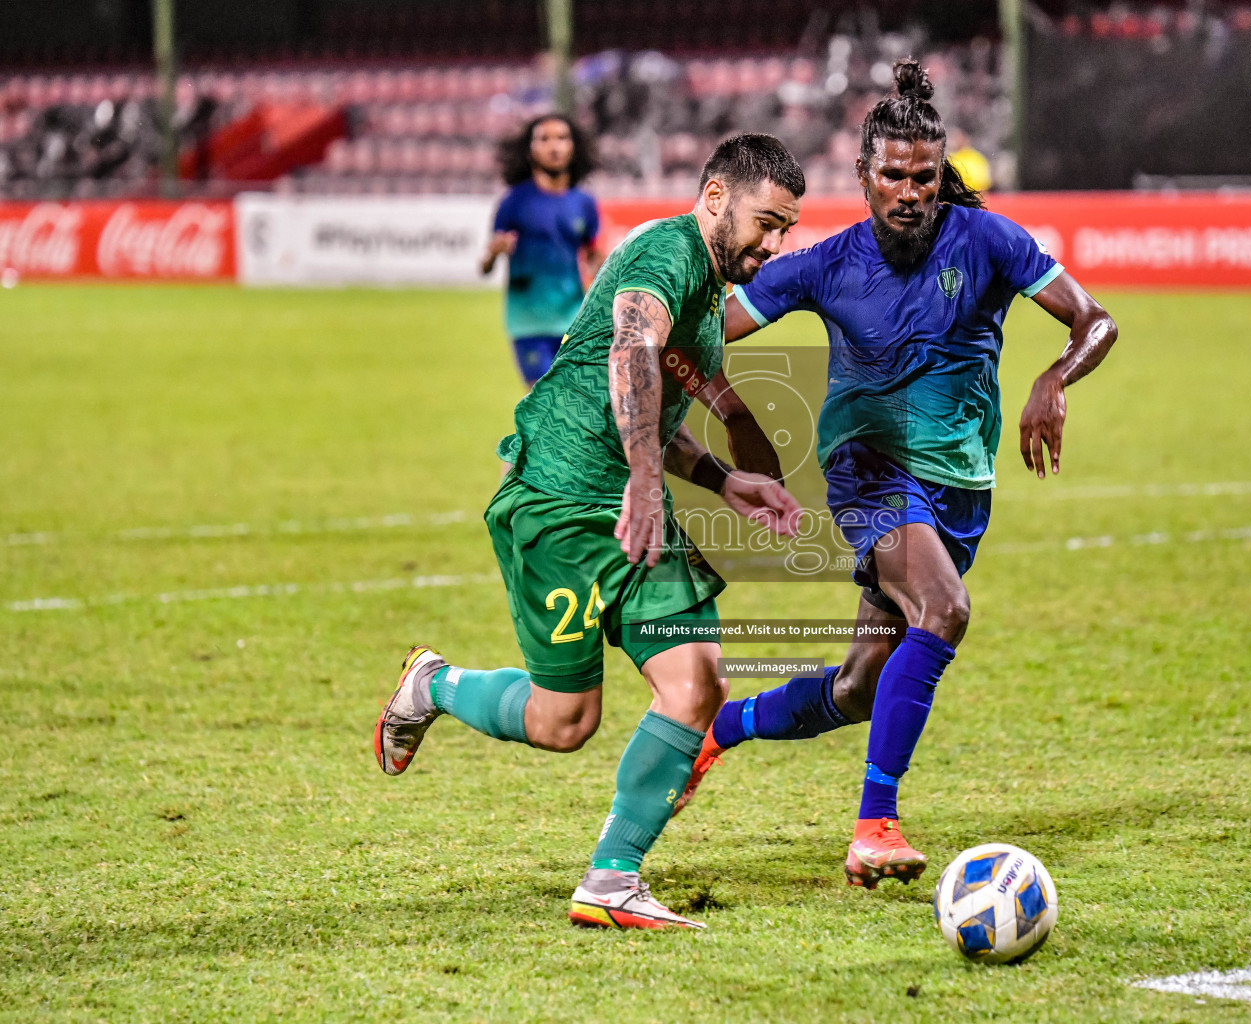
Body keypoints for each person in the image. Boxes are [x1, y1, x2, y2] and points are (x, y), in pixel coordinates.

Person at [675, 61, 1119, 890]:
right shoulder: (824, 264)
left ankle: (717, 729)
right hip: (867, 466)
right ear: (863, 176)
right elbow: (700, 338)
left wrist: (1053, 378)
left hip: (960, 483)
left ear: (939, 172)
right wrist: (680, 375)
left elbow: (1096, 321)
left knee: (855, 689)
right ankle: (875, 826)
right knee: (944, 610)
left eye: (923, 176)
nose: (909, 192)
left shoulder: (990, 240)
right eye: (892, 176)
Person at [375, 134, 807, 930]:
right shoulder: (666, 254)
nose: (775, 245)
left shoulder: (708, 292)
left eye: (786, 228)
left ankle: (611, 878)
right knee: (562, 721)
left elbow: (654, 406)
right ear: (715, 198)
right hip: (563, 503)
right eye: (766, 223)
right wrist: (644, 483)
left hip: (631, 504)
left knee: (698, 682)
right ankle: (431, 684)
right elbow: (628, 354)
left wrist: (720, 479)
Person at [480, 115, 603, 388]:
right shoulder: (514, 202)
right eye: (544, 139)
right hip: (528, 321)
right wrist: (493, 254)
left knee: (575, 403)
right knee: (543, 402)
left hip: (573, 321)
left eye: (561, 138)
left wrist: (606, 270)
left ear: (574, 147)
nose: (554, 147)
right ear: (530, 149)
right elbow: (485, 266)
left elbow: (593, 254)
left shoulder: (584, 204)